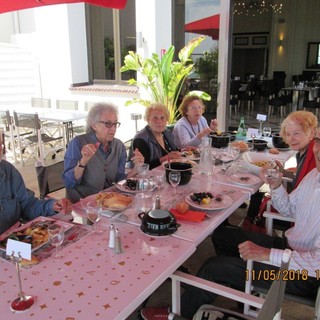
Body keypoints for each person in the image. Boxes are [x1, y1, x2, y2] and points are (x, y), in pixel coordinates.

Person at [141, 127, 320, 320]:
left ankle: (177, 314)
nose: (318, 149)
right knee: (222, 235)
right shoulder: (314, 176)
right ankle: (242, 293)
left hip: (302, 276)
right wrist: (276, 186)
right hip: (290, 248)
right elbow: (290, 210)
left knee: (214, 267)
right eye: (318, 141)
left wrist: (267, 254)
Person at [63, 102, 144, 203]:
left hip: (108, 204)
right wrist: (83, 162)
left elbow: (120, 180)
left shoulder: (119, 146)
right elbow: (69, 183)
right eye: (108, 124)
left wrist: (137, 168)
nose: (113, 129)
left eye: (115, 123)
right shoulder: (78, 143)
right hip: (82, 206)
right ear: (94, 125)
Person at [246, 110, 317, 219]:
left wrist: (277, 185)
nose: (291, 139)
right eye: (288, 134)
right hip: (295, 205)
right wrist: (284, 172)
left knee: (256, 203)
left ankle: (253, 227)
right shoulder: (305, 152)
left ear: (311, 133)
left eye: (296, 133)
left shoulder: (315, 158)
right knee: (257, 196)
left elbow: (297, 207)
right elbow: (301, 179)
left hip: (297, 217)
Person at [0, 132, 72, 235]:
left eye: (1, 144)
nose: (1, 151)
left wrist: (53, 206)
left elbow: (27, 205)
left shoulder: (8, 171)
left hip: (14, 245)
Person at [132, 102, 189, 170]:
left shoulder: (166, 132)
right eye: (155, 118)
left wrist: (183, 150)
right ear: (148, 120)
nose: (159, 121)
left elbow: (173, 151)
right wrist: (165, 158)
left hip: (168, 171)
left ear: (166, 120)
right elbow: (143, 167)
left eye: (162, 118)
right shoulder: (141, 139)